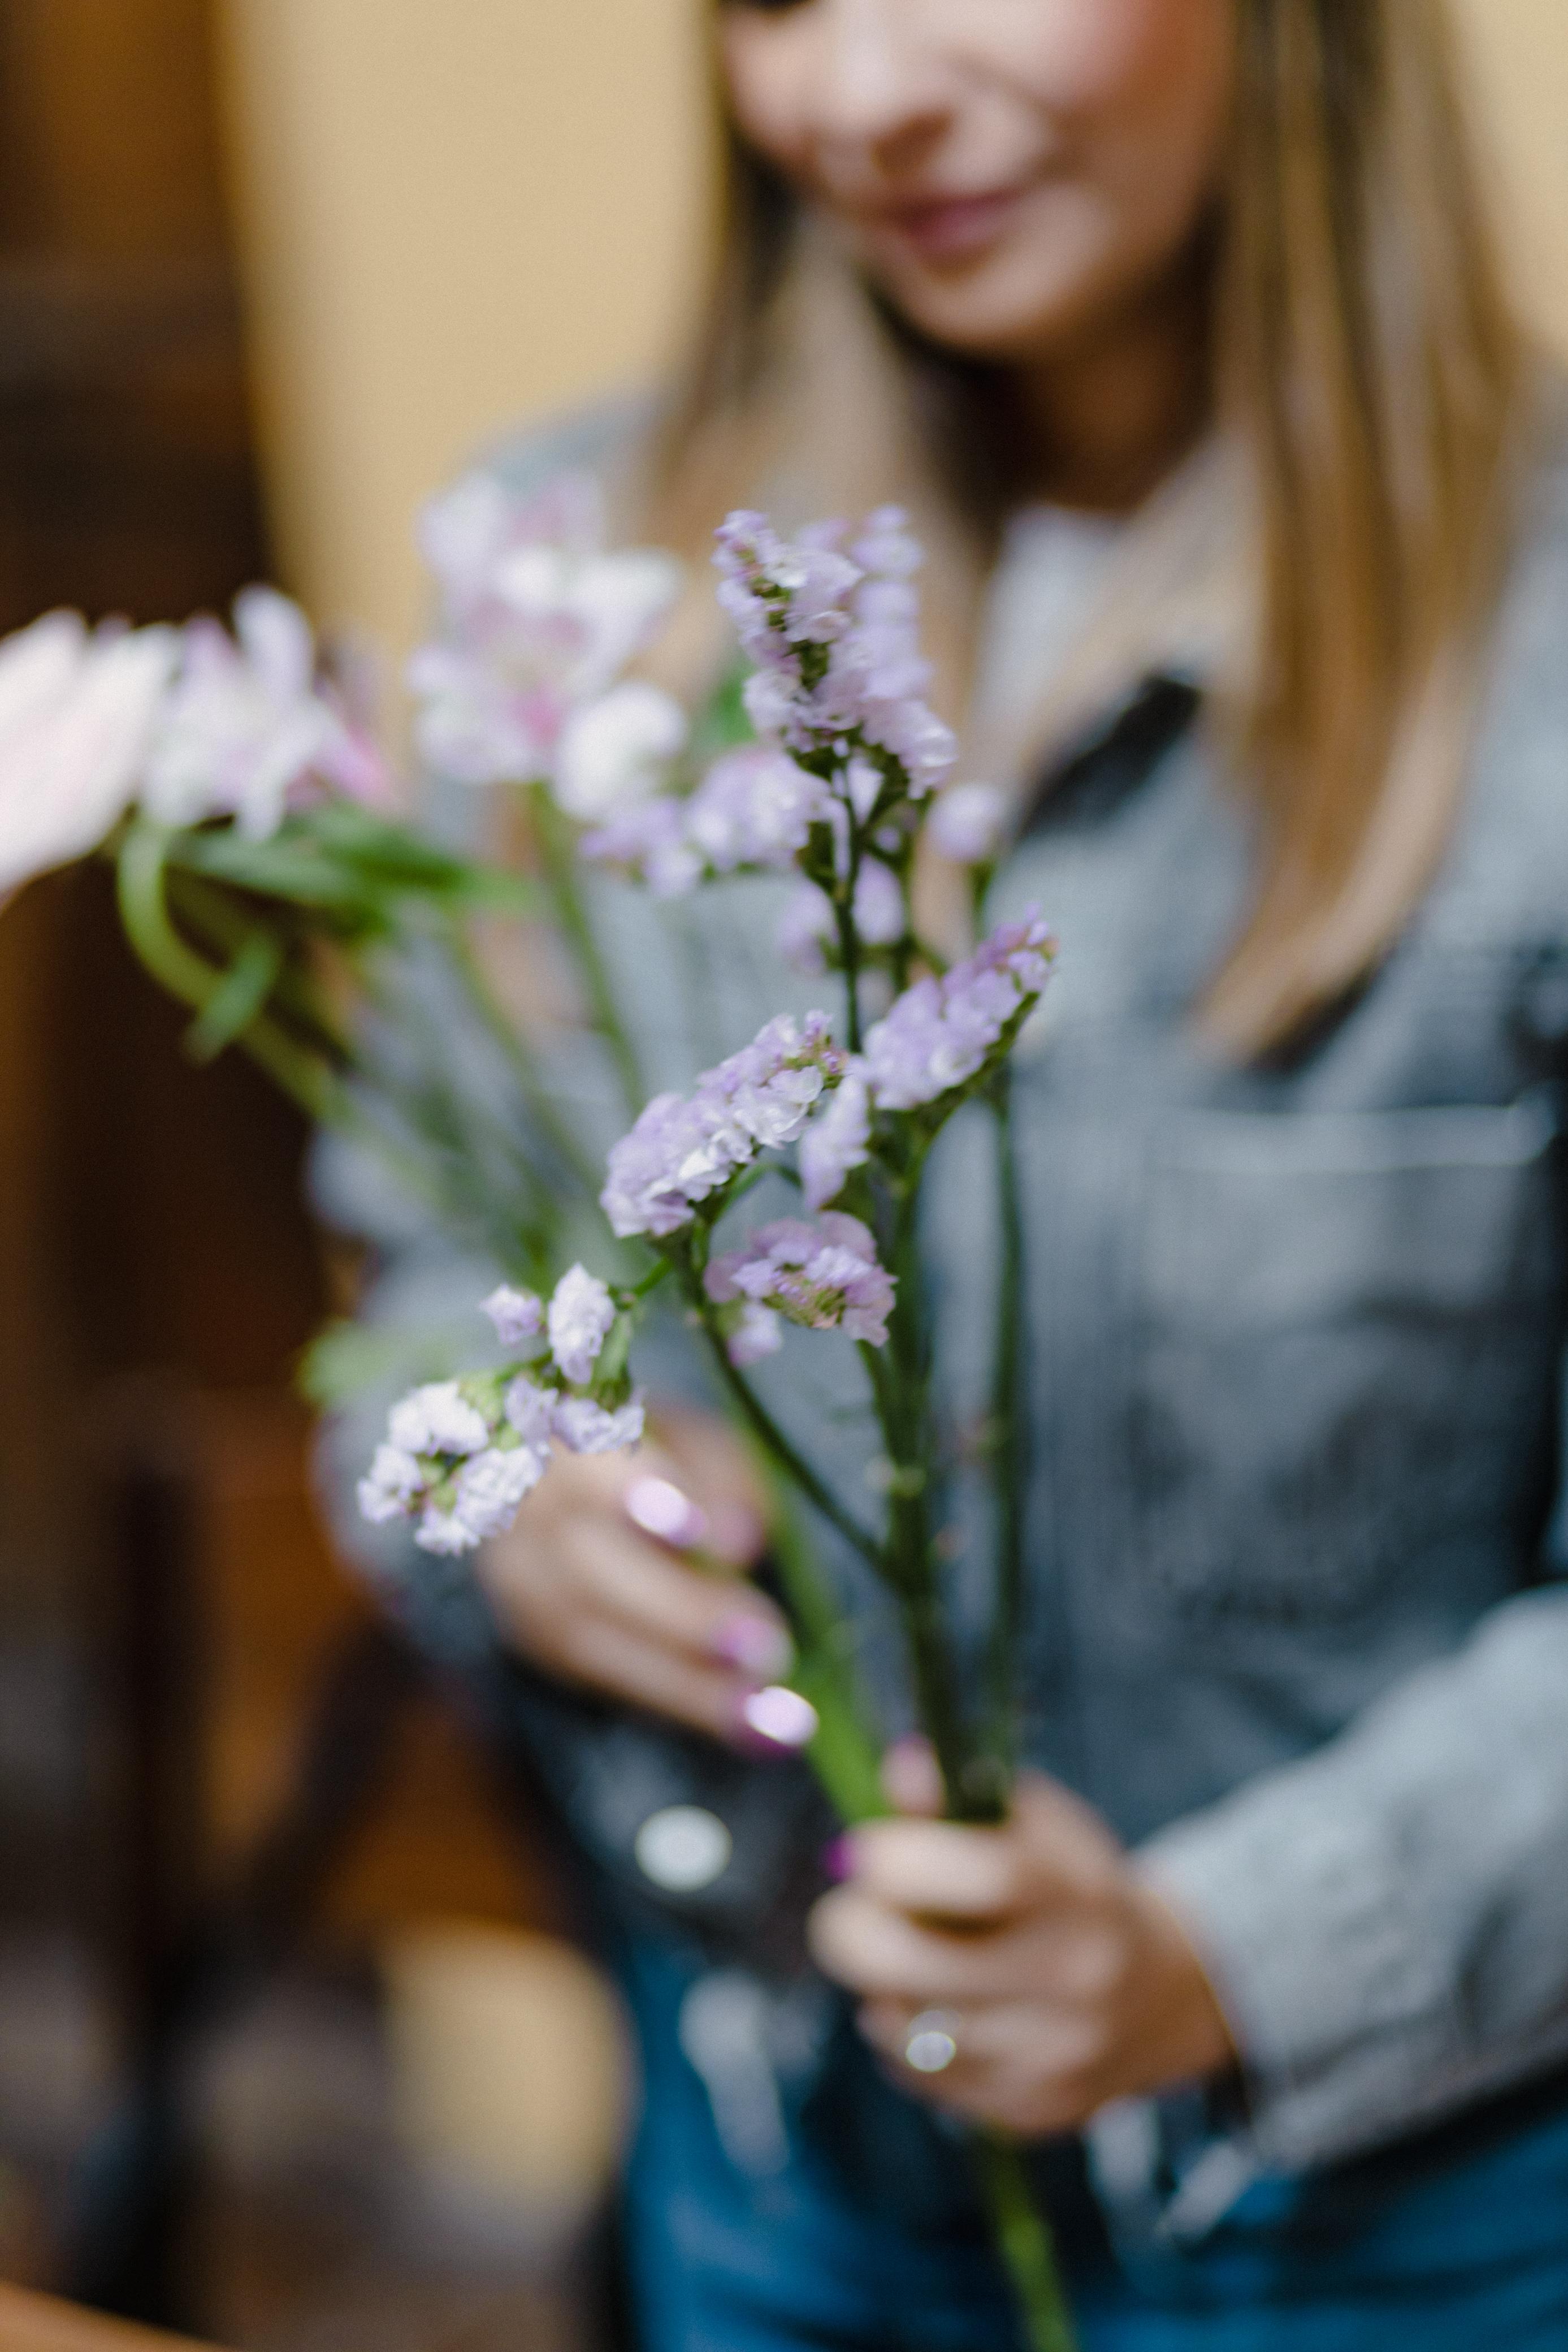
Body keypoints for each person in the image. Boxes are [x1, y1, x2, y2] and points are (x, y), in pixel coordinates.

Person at [322, 2, 1568, 2343]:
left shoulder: (1536, 665)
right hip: (777, 2172)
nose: (859, 95)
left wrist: (1228, 1951)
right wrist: (518, 1509)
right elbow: (405, 1271)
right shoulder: (569, 593)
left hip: (1410, 2228)